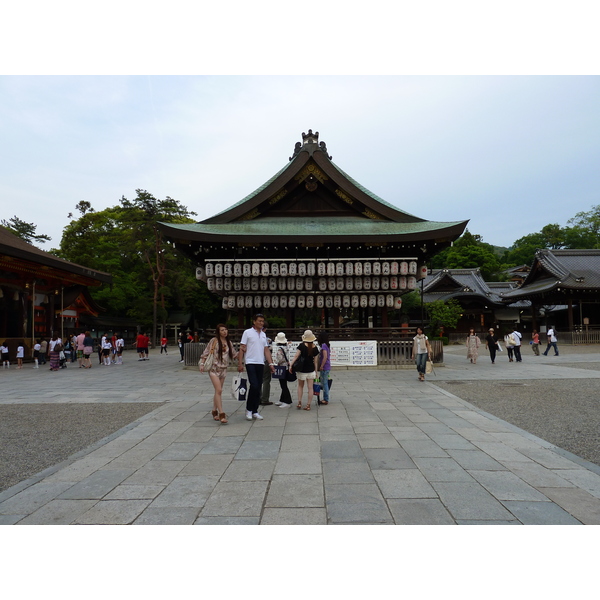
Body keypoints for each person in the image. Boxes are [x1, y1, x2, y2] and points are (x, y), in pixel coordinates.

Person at [238, 314, 275, 421]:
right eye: (259, 321)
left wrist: (271, 363)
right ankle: (248, 409)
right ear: (254, 321)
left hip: (260, 362)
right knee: (254, 385)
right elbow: (242, 347)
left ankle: (255, 410)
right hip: (250, 361)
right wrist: (240, 363)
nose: (261, 323)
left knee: (258, 386)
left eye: (262, 321)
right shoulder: (247, 332)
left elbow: (266, 350)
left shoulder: (263, 334)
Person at [200, 323, 238, 424]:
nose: (224, 332)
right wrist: (202, 364)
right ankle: (222, 414)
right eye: (222, 330)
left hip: (224, 369)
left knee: (218, 392)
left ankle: (214, 410)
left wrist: (244, 350)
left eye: (225, 329)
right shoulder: (214, 341)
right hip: (214, 368)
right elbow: (206, 352)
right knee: (219, 390)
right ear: (218, 332)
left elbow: (234, 355)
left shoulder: (228, 342)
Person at [289, 330, 320, 410]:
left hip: (302, 370)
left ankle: (299, 402)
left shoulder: (302, 346)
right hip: (311, 370)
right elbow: (316, 362)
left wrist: (291, 365)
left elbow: (296, 356)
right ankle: (308, 405)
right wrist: (316, 372)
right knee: (310, 388)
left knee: (300, 386)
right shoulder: (315, 348)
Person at [272, 332, 293, 408]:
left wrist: (275, 362)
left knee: (283, 385)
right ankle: (282, 399)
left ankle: (287, 401)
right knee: (283, 384)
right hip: (286, 367)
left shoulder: (279, 349)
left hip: (281, 367)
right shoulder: (286, 347)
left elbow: (280, 359)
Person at [260, 322, 273, 406]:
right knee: (266, 379)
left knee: (258, 380)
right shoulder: (267, 339)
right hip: (265, 360)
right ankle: (264, 399)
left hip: (256, 361)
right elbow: (270, 350)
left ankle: (258, 397)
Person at [317, 331, 331, 405]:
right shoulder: (327, 345)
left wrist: (321, 366)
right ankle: (325, 398)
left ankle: (326, 399)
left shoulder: (323, 346)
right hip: (327, 366)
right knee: (324, 382)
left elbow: (325, 356)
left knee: (324, 383)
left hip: (325, 366)